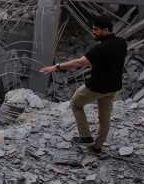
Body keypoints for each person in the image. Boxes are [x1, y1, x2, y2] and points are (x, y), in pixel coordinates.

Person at [39, 15, 127, 153]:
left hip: (96, 87)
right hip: (113, 87)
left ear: (106, 30)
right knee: (104, 118)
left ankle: (85, 137)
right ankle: (97, 146)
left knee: (75, 104)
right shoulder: (122, 43)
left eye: (96, 30)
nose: (93, 32)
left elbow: (79, 63)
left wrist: (56, 66)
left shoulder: (100, 49)